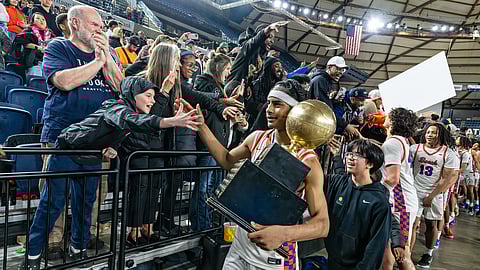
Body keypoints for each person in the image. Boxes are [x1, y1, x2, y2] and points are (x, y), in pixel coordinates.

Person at [20, 76, 201, 269]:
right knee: (52, 205)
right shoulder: (116, 106)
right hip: (67, 152)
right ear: (133, 95)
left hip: (92, 157)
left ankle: (78, 249)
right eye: (148, 95)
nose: (152, 100)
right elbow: (130, 121)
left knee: (86, 205)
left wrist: (113, 146)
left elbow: (121, 130)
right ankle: (32, 256)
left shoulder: (131, 111)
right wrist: (170, 121)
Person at [196, 79, 329, 269]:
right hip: (240, 249)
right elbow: (226, 160)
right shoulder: (258, 138)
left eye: (277, 104)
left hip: (274, 259)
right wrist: (201, 126)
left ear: (295, 112)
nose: (268, 109)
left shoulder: (307, 160)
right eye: (268, 102)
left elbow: (323, 225)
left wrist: (284, 234)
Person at [35, 5, 123, 256]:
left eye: (102, 27)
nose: (101, 30)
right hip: (61, 135)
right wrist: (97, 62)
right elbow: (64, 81)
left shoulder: (108, 53)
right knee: (54, 194)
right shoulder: (58, 47)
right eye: (95, 25)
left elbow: (120, 87)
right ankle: (52, 240)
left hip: (98, 139)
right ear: (75, 23)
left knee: (93, 194)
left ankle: (83, 238)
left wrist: (105, 56)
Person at [326, 138, 391, 270]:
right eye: (349, 153)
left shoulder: (379, 202)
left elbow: (376, 246)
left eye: (357, 155)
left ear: (370, 164)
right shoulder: (338, 183)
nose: (350, 158)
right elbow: (314, 176)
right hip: (333, 260)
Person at [409, 123, 457, 268]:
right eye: (428, 132)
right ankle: (407, 254)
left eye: (434, 132)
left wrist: (431, 196)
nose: (430, 135)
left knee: (431, 224)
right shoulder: (415, 149)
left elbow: (446, 179)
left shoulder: (449, 153)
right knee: (412, 224)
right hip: (415, 191)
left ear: (440, 135)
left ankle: (428, 253)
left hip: (435, 194)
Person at [381, 107, 418, 270]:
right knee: (388, 249)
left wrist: (378, 194)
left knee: (402, 254)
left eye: (388, 115)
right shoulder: (400, 140)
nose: (384, 116)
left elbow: (392, 178)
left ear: (394, 121)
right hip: (403, 201)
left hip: (400, 204)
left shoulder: (392, 143)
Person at [309, 56, 357, 137]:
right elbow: (324, 108)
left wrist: (335, 101)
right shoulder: (320, 80)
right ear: (329, 67)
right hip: (313, 123)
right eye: (338, 68)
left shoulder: (331, 81)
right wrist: (344, 125)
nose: (341, 72)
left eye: (342, 69)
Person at [13, 12, 54, 76]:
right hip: (34, 61)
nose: (41, 21)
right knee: (36, 80)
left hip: (48, 62)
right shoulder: (28, 31)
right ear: (33, 21)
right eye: (38, 18)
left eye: (43, 19)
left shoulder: (51, 34)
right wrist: (38, 47)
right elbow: (21, 41)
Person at [457, 136, 475, 215]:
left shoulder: (466, 154)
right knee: (463, 191)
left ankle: (471, 205)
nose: (456, 140)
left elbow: (463, 168)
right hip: (462, 174)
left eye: (458, 139)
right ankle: (465, 202)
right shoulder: (458, 151)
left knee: (470, 191)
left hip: (468, 174)